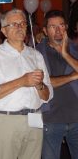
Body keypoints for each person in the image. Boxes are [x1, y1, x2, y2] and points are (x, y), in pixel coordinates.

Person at [0, 9, 53, 159]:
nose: (20, 27)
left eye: (23, 23)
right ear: (4, 31)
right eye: (14, 24)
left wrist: (39, 85)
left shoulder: (35, 55)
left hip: (34, 119)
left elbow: (48, 95)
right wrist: (21, 81)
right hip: (6, 121)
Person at [36, 10, 78, 159]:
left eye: (61, 25)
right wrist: (72, 76)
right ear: (45, 31)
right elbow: (43, 82)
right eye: (53, 27)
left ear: (66, 27)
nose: (58, 30)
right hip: (51, 118)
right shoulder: (37, 52)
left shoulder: (75, 48)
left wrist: (65, 54)